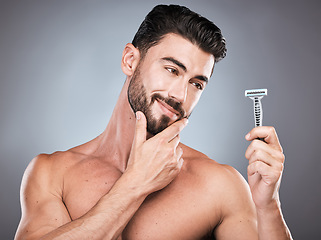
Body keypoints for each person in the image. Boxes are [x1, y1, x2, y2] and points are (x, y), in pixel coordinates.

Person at [15, 4, 293, 240]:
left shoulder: (221, 186)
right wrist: (134, 185)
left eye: (196, 84)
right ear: (130, 60)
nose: (180, 95)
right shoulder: (51, 173)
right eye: (172, 70)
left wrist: (268, 206)